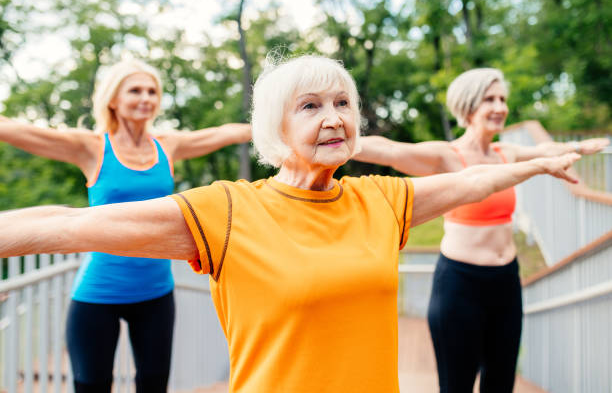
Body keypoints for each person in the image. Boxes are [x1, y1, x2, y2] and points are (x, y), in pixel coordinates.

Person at [0, 56, 582, 393]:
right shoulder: (227, 211)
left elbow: (469, 182)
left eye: (343, 104)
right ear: (276, 130)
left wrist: (535, 164)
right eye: (310, 106)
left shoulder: (380, 200)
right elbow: (67, 226)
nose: (334, 119)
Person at [0, 59, 251, 393]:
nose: (146, 98)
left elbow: (224, 133)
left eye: (152, 91)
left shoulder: (167, 145)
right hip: (98, 292)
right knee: (92, 386)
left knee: (153, 385)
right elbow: (20, 131)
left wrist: (290, 127)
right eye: (135, 90)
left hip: (156, 293)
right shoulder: (91, 147)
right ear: (113, 100)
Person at [353, 67, 609, 392]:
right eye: (490, 99)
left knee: (501, 383)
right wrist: (341, 139)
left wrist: (582, 147)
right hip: (460, 285)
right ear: (469, 106)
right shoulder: (447, 156)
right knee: (457, 385)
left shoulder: (507, 153)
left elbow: (545, 151)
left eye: (502, 98)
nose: (500, 106)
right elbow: (389, 150)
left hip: (506, 282)